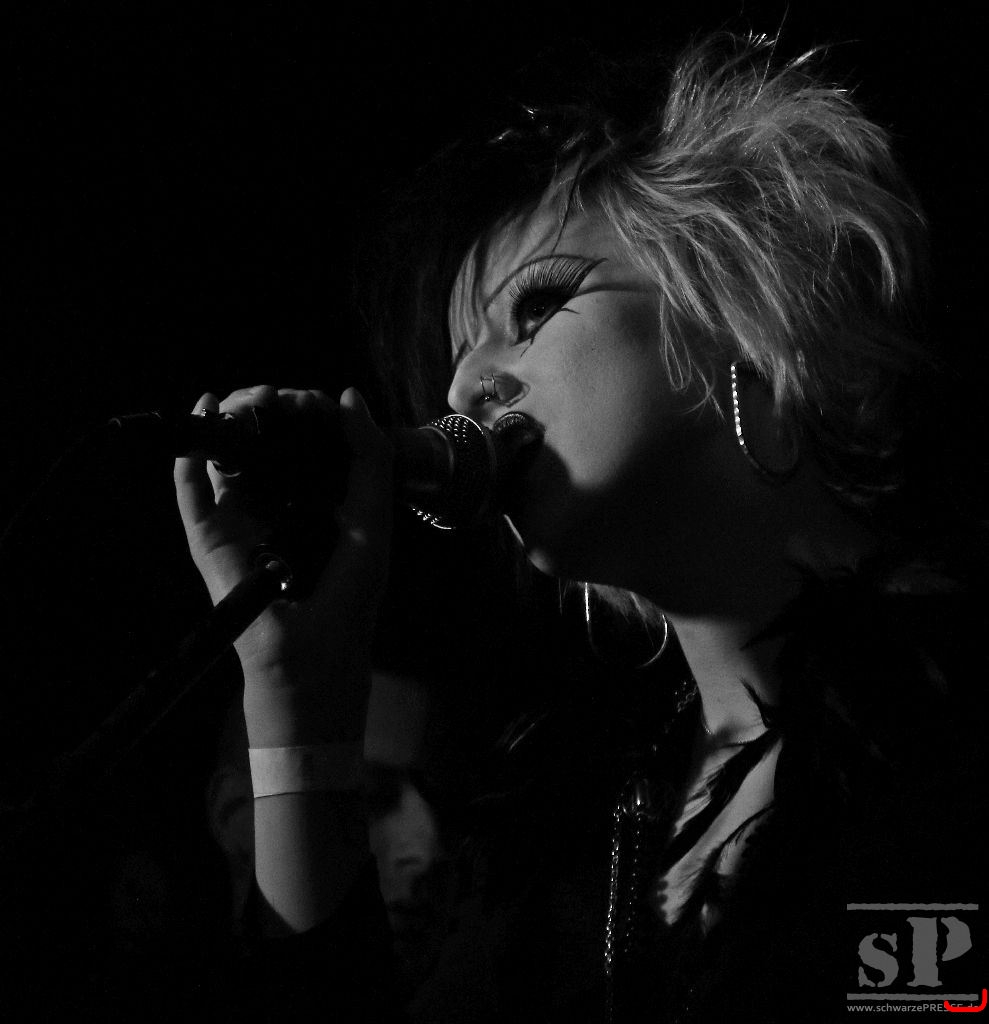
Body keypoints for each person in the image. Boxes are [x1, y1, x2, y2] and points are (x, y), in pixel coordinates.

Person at [174, 31, 985, 1022]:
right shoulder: (572, 822)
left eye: (540, 304)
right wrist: (297, 698)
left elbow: (941, 995)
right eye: (459, 352)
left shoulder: (954, 729)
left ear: (746, 310)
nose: (463, 388)